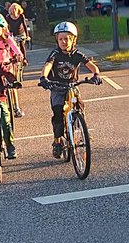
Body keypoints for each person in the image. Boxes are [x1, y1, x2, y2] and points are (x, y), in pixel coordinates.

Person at [40, 21, 100, 157]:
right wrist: (44, 77)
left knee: (80, 106)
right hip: (57, 87)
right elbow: (48, 65)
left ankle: (83, 130)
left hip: (72, 85)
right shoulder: (55, 53)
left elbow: (91, 65)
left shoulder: (77, 54)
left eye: (67, 39)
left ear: (73, 40)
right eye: (60, 39)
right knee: (57, 112)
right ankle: (57, 141)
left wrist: (96, 74)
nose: (63, 42)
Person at [0, 13, 25, 116]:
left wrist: (19, 55)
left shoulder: (7, 38)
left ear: (3, 29)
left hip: (7, 64)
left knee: (12, 85)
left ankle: (16, 107)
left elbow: (14, 47)